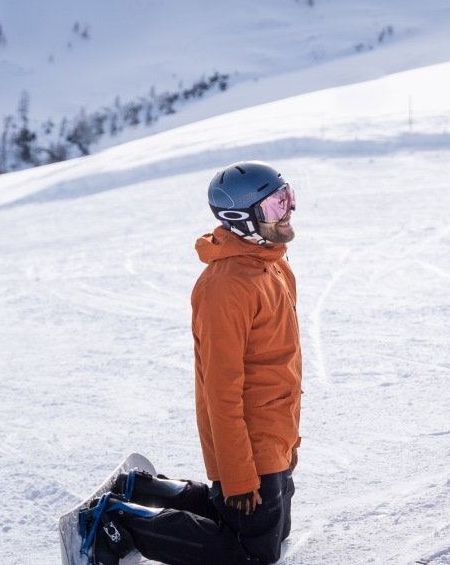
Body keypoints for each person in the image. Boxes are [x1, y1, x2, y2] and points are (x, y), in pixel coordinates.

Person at [73, 161, 303, 565]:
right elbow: (220, 392)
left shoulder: (274, 265)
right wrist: (238, 473)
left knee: (267, 534)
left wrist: (289, 442)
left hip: (275, 432)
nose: (287, 211)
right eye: (273, 206)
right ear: (240, 219)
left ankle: (144, 490)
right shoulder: (226, 287)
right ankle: (115, 521)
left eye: (287, 198)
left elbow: (276, 364)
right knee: (252, 556)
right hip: (248, 441)